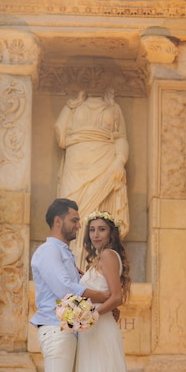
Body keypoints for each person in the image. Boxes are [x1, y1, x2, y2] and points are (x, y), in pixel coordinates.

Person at [71, 210, 155, 372]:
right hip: (92, 331)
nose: (96, 234)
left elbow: (116, 297)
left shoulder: (108, 256)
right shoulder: (98, 260)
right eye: (92, 230)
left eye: (101, 229)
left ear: (111, 233)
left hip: (99, 328)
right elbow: (101, 291)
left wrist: (90, 316)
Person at [30, 198, 109, 372]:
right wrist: (105, 296)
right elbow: (65, 288)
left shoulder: (63, 253)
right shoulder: (48, 251)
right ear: (58, 221)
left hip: (71, 331)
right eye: (74, 220)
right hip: (55, 328)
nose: (79, 225)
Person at [55, 88, 129, 267]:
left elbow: (121, 138)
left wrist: (119, 161)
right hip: (75, 164)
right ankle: (70, 265)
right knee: (71, 214)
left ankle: (96, 265)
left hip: (104, 162)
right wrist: (69, 105)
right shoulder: (73, 106)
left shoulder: (114, 108)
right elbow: (61, 136)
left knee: (97, 215)